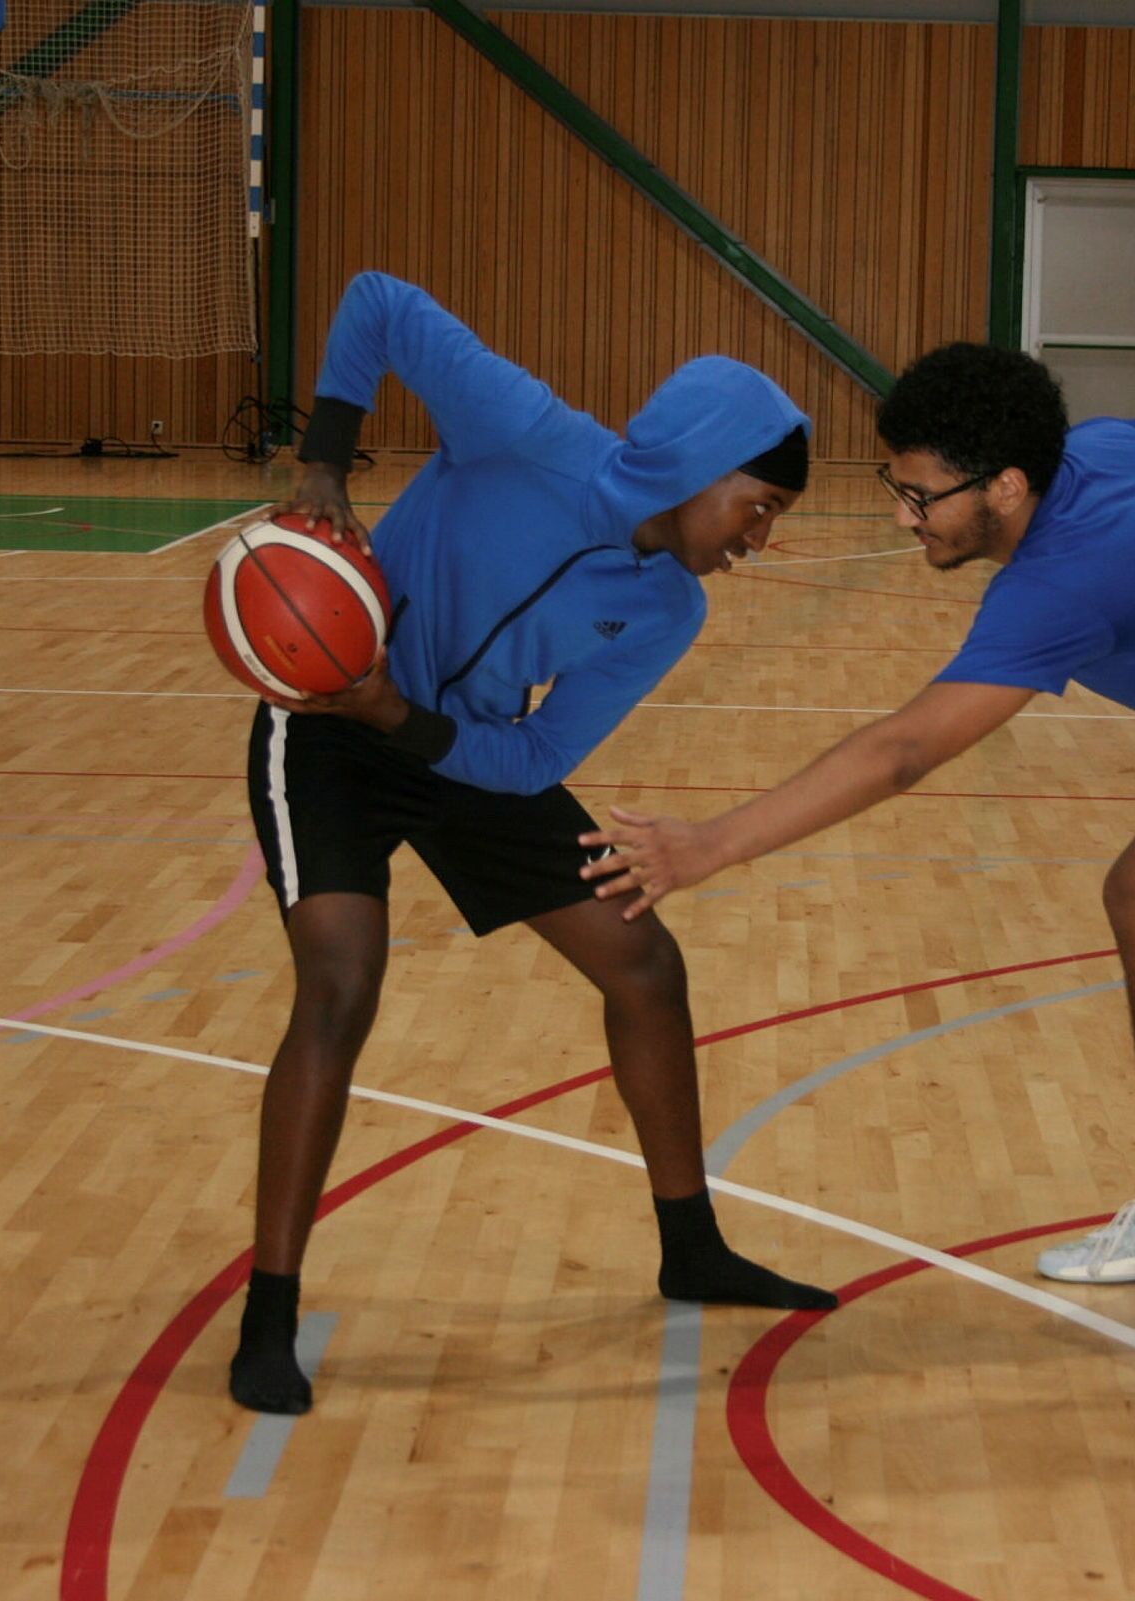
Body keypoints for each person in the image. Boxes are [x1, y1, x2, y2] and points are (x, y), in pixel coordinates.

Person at [580, 341, 1135, 1413]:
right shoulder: (1099, 446)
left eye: (922, 495)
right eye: (897, 487)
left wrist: (710, 844)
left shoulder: (1063, 582)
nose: (905, 516)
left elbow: (903, 751)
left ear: (1007, 487)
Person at [229, 271, 833, 1417]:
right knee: (340, 984)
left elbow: (536, 754)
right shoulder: (525, 430)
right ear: (699, 465)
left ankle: (691, 1245)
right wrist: (324, 465)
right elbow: (377, 304)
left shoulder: (668, 609)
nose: (759, 538)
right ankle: (269, 1308)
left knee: (643, 960)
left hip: (457, 746)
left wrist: (404, 721)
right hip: (326, 728)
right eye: (756, 507)